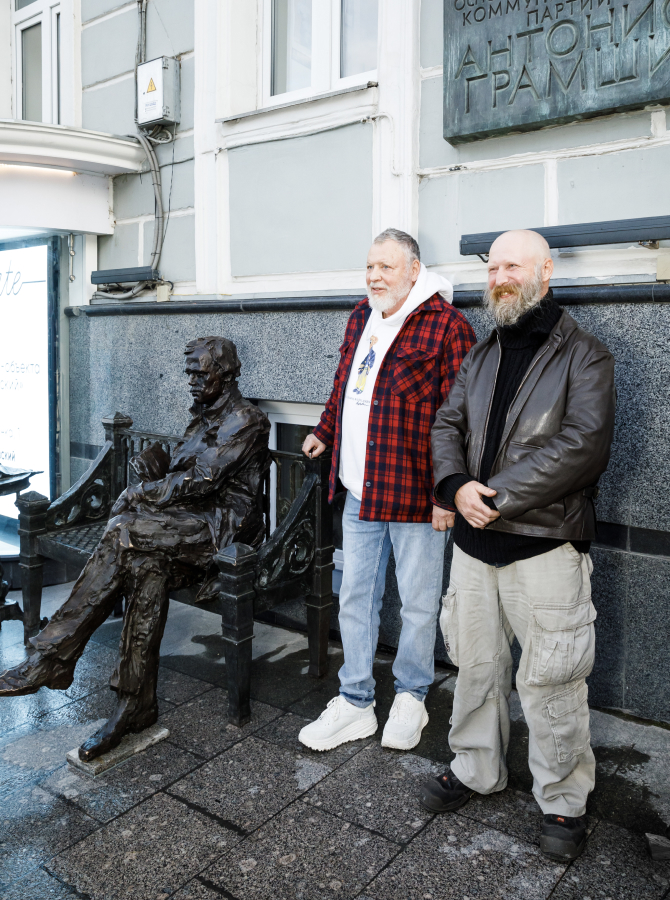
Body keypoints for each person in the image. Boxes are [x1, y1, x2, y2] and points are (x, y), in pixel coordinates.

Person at [420, 230, 615, 862]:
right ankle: (476, 767)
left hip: (543, 545)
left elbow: (583, 445)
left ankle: (562, 798)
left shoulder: (585, 354)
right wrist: (454, 486)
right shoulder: (482, 353)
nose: (500, 277)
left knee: (553, 679)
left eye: (513, 266)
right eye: (493, 267)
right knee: (475, 667)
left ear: (545, 272)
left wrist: (494, 497)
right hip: (474, 547)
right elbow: (447, 423)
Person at [0, 337, 270, 761]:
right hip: (183, 522)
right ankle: (135, 705)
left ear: (226, 374)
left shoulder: (246, 419)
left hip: (221, 530)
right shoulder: (201, 416)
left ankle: (51, 656)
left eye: (200, 373)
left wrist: (140, 492)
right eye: (189, 373)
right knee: (146, 567)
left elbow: (203, 480)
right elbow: (184, 469)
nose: (191, 381)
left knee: (123, 531)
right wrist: (156, 464)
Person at [299, 228, 476, 752]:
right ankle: (355, 701)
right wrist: (325, 430)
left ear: (414, 271)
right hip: (360, 490)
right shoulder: (362, 315)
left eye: (387, 267)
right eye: (370, 266)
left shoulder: (448, 326)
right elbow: (345, 384)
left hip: (417, 498)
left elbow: (461, 420)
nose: (375, 277)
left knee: (418, 604)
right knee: (355, 597)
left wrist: (447, 495)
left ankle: (411, 696)